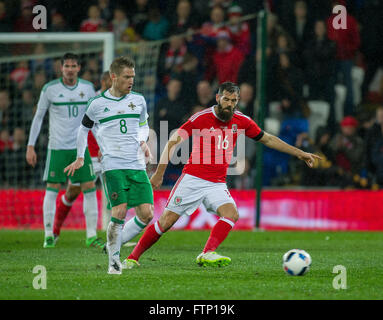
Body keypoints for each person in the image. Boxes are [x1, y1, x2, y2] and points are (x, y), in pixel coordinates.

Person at [123, 82, 321, 268]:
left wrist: (300, 153)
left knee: (231, 214)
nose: (230, 104)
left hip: (217, 182)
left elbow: (268, 139)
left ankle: (207, 253)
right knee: (165, 222)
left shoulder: (241, 120)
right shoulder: (202, 118)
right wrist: (159, 173)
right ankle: (132, 258)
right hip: (193, 178)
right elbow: (173, 142)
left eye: (234, 101)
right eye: (226, 99)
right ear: (218, 98)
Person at [64, 56, 154, 275]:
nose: (131, 81)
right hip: (112, 164)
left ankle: (111, 244)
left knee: (147, 214)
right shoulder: (97, 104)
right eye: (126, 77)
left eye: (133, 77)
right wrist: (80, 156)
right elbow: (83, 129)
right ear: (114, 77)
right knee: (120, 211)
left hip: (136, 164)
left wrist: (143, 141)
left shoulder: (139, 100)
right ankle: (114, 262)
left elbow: (143, 124)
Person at [26, 53, 101, 249]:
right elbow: (38, 117)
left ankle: (91, 236)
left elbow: (95, 120)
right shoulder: (50, 89)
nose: (69, 69)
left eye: (73, 66)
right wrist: (30, 146)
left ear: (79, 68)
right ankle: (48, 234)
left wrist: (102, 145)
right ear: (61, 68)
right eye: (66, 66)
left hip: (80, 148)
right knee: (52, 188)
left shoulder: (87, 88)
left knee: (89, 187)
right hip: (57, 148)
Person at [52, 71, 112, 243]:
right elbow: (88, 127)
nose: (112, 83)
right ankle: (55, 229)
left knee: (114, 192)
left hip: (109, 154)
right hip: (89, 154)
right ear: (102, 81)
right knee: (73, 192)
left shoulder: (118, 101)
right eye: (109, 79)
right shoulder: (92, 100)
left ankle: (102, 235)